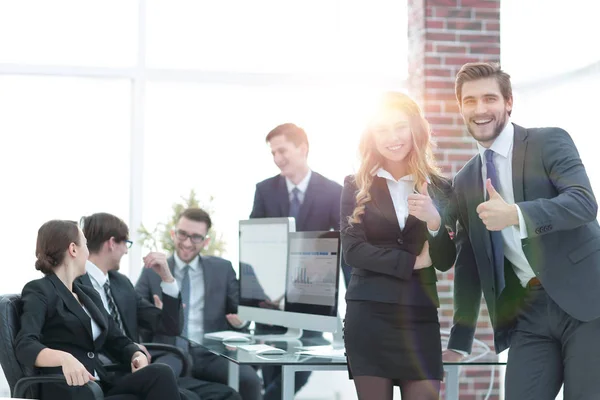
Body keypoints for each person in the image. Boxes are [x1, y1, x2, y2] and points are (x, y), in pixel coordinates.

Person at [445, 62, 600, 399]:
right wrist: (460, 340)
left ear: (509, 102)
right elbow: (469, 263)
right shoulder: (465, 181)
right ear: (460, 108)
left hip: (588, 302)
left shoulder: (549, 142)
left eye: (489, 98)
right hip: (530, 311)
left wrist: (515, 214)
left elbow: (584, 202)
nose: (480, 109)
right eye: (470, 101)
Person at [341, 92, 456, 400]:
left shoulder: (441, 188)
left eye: (399, 127)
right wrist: (411, 262)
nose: (392, 138)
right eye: (382, 129)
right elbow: (353, 252)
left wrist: (433, 220)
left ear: (415, 129)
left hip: (420, 317)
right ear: (372, 136)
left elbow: (444, 260)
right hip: (369, 317)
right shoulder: (355, 185)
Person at [76, 212, 242, 400]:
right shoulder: (75, 286)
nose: (126, 251)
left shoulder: (121, 284)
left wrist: (167, 278)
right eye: (126, 244)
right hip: (109, 374)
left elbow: (171, 326)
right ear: (112, 243)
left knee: (228, 395)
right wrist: (133, 350)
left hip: (139, 371)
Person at [15, 220, 181, 400]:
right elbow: (25, 345)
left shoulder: (88, 294)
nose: (88, 252)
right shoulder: (40, 290)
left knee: (161, 374)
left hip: (100, 385)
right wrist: (64, 359)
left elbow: (115, 338)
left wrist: (136, 353)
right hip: (72, 390)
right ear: (73, 249)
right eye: (85, 244)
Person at [249, 122, 344, 399]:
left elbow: (345, 247)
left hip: (314, 298)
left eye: (282, 151)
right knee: (272, 371)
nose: (278, 159)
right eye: (273, 153)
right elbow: (256, 246)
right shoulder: (264, 191)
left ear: (302, 148)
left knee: (303, 367)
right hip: (272, 298)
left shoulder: (333, 191)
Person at [136, 208, 262, 400]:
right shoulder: (152, 271)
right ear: (174, 233)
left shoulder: (223, 269)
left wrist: (242, 322)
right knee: (159, 379)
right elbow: (135, 313)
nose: (187, 242)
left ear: (206, 241)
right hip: (170, 352)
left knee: (250, 379)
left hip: (211, 354)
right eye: (183, 234)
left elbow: (240, 310)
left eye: (195, 237)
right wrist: (158, 315)